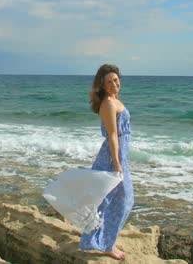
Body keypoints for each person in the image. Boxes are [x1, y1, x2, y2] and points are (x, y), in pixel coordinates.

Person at [80, 63, 134, 260]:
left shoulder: (114, 99)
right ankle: (105, 244)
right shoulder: (109, 103)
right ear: (102, 85)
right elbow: (112, 135)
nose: (114, 84)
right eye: (109, 81)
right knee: (120, 201)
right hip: (112, 158)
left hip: (120, 156)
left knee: (110, 201)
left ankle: (102, 240)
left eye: (116, 80)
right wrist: (117, 163)